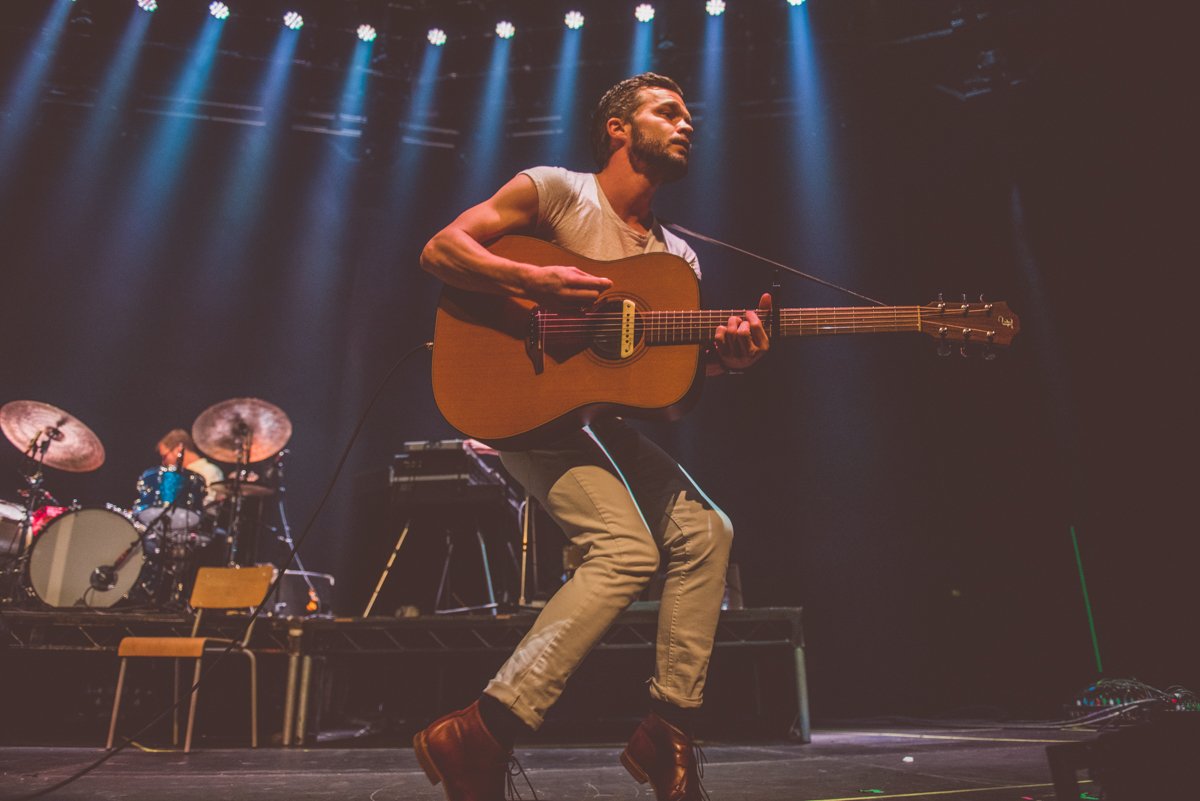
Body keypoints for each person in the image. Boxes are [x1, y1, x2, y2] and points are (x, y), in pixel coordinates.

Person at [415, 73, 771, 801]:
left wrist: (726, 360)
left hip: (591, 418)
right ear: (618, 127)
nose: (687, 124)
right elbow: (440, 251)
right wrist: (531, 280)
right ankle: (480, 730)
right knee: (625, 550)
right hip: (521, 405)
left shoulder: (676, 261)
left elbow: (662, 387)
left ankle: (668, 729)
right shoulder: (555, 191)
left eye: (689, 116)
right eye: (668, 112)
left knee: (707, 532)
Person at [155, 429, 224, 505]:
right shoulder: (178, 477)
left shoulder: (209, 470)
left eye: (164, 456)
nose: (163, 462)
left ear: (179, 449)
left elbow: (209, 507)